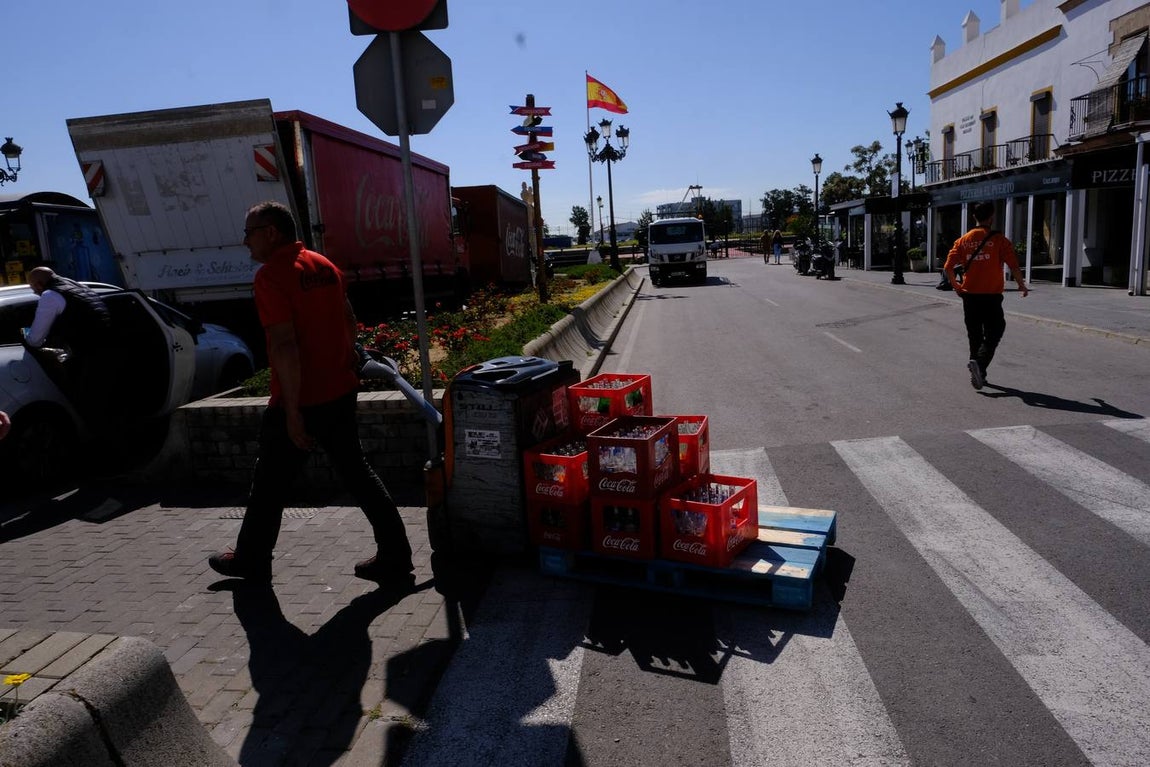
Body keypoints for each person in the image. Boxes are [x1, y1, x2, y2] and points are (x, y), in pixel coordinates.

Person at [208, 201, 414, 587]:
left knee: (268, 484)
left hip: (302, 399)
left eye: (249, 232)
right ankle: (396, 556)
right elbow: (350, 321)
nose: (245, 242)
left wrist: (291, 412)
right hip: (339, 391)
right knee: (359, 475)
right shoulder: (323, 265)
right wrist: (347, 362)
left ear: (271, 232)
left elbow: (284, 346)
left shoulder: (272, 277)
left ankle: (251, 560)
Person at [943, 202, 1029, 390]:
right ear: (991, 217)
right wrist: (1022, 285)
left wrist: (956, 286)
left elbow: (948, 267)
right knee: (996, 330)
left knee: (974, 335)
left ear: (974, 217)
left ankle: (979, 373)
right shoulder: (999, 240)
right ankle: (980, 365)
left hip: (970, 296)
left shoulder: (963, 240)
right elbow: (1013, 265)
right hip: (991, 296)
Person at [24, 266, 112, 416]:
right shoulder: (78, 286)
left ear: (39, 284)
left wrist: (24, 335)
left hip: (89, 358)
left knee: (91, 407)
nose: (34, 292)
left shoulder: (49, 295)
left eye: (33, 288)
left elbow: (35, 340)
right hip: (110, 351)